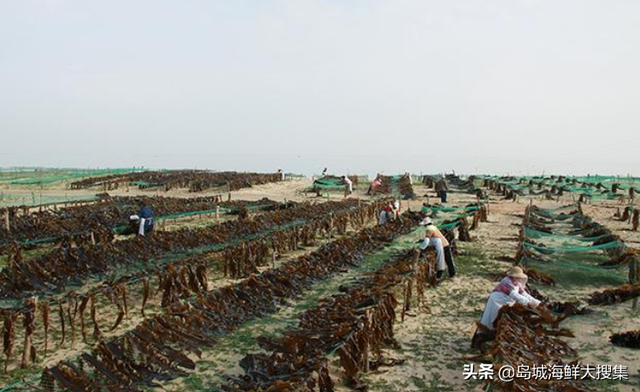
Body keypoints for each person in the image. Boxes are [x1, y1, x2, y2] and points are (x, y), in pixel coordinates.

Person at [479, 266, 541, 330]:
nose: (520, 279)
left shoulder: (517, 283)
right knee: (493, 316)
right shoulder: (506, 282)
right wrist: (528, 302)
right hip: (496, 301)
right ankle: (487, 330)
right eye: (518, 277)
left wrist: (537, 302)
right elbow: (514, 295)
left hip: (505, 302)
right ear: (513, 276)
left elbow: (524, 293)